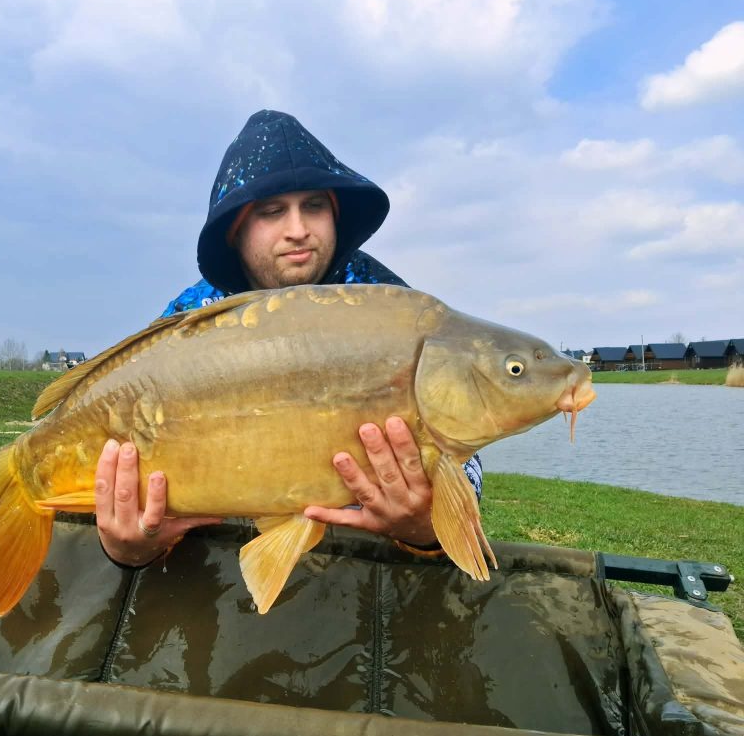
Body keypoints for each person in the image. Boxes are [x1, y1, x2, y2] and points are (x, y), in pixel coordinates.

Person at [94, 109, 483, 568]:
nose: (298, 230)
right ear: (236, 228)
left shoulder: (391, 310)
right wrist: (127, 549)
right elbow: (121, 491)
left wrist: (422, 528)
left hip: (357, 571)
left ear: (335, 215)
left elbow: (462, 460)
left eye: (314, 206)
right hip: (214, 573)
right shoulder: (189, 321)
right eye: (272, 211)